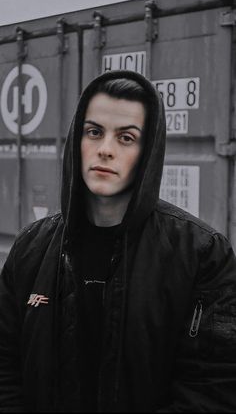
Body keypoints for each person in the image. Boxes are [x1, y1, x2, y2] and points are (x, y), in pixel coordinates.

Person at [0, 70, 236, 413]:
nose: (105, 150)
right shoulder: (32, 246)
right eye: (94, 132)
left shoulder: (202, 254)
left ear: (147, 151)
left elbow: (214, 389)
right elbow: (5, 366)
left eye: (126, 137)